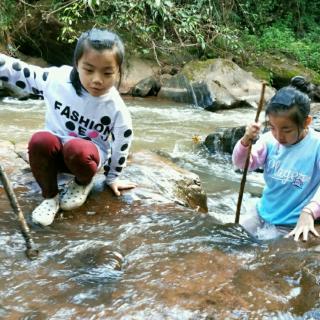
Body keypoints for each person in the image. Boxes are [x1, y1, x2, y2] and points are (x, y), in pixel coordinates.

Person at [0, 28, 136, 226]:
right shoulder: (57, 81)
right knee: (40, 140)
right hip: (54, 154)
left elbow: (123, 141)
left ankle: (82, 184)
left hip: (85, 159)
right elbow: (20, 71)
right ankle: (50, 198)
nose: (97, 79)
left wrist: (112, 178)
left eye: (107, 73)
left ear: (118, 71)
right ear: (77, 64)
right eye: (89, 70)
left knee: (76, 148)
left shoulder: (115, 108)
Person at [232, 82, 320, 241]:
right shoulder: (269, 141)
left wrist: (310, 211)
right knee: (233, 239)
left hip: (289, 222)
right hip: (262, 213)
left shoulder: (317, 146)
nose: (279, 136)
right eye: (272, 127)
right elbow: (242, 164)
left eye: (287, 130)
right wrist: (245, 141)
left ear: (306, 122)